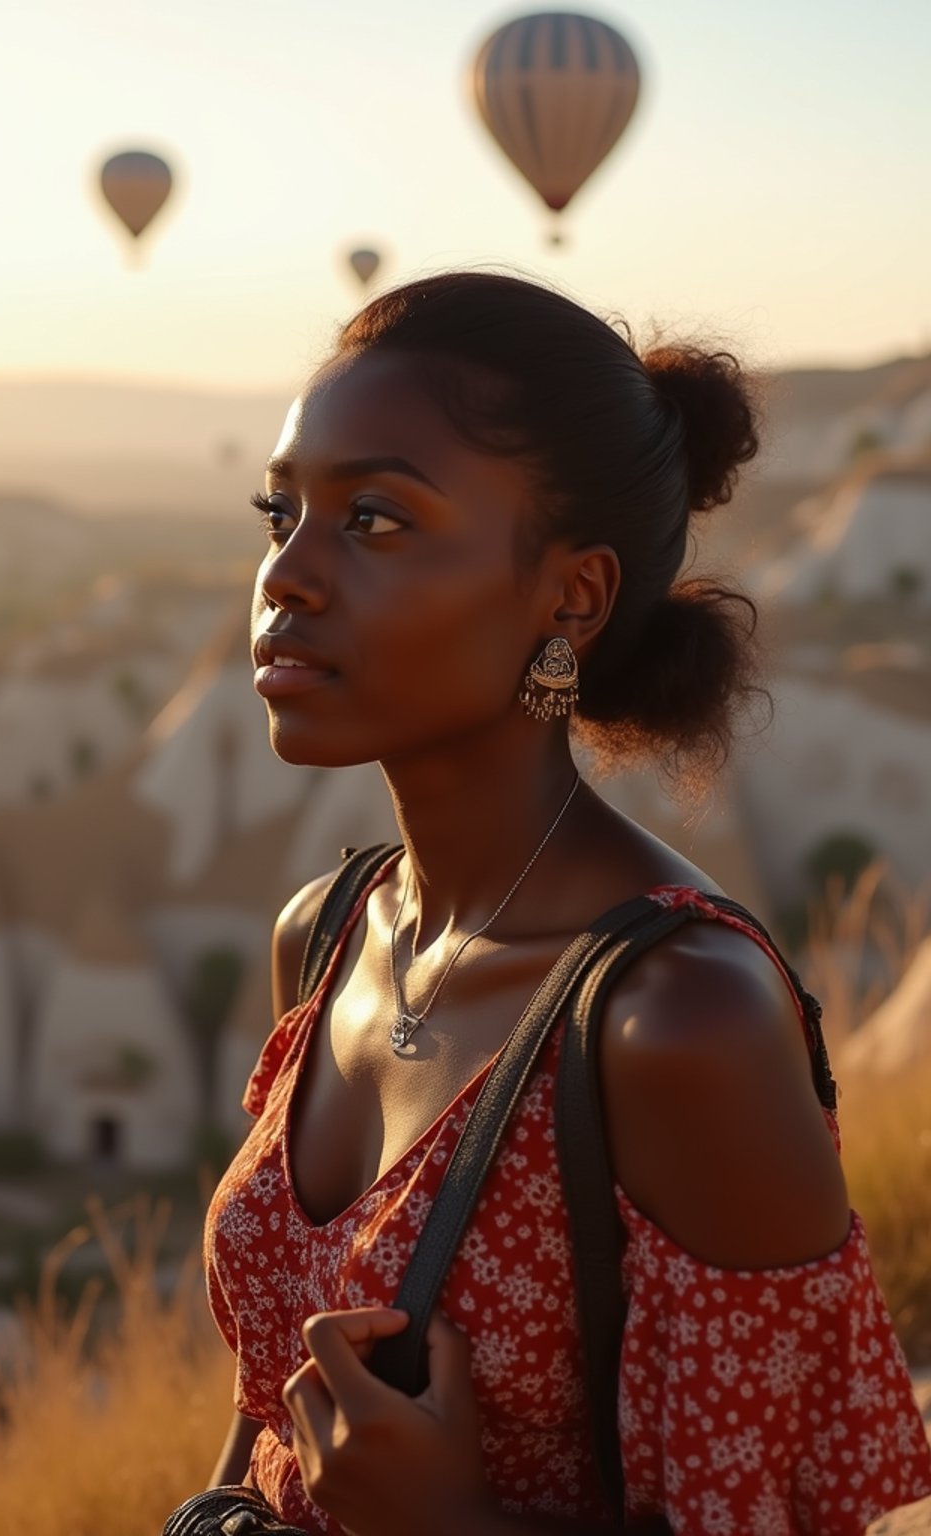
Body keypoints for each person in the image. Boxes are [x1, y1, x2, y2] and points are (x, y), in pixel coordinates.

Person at [202, 272, 931, 1534]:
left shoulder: (679, 1019)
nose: (288, 577)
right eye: (281, 513)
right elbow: (275, 1416)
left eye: (372, 519)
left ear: (571, 597)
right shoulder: (328, 935)